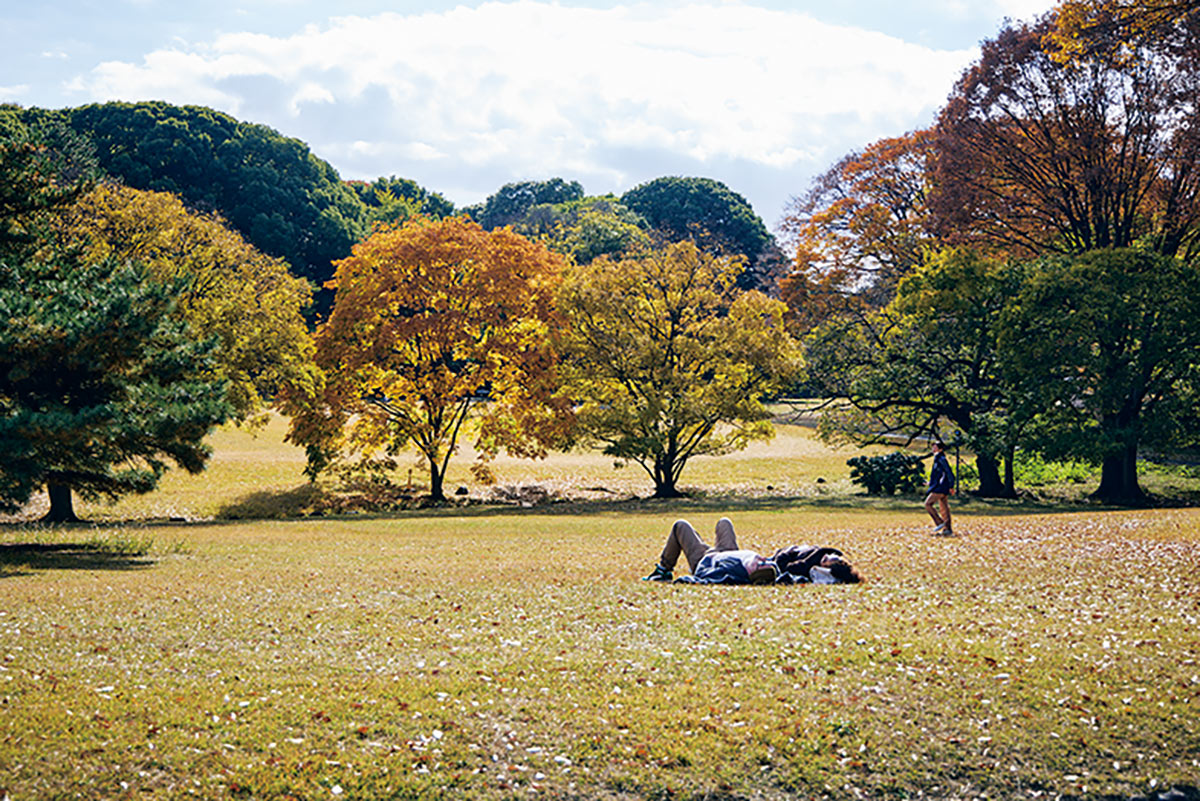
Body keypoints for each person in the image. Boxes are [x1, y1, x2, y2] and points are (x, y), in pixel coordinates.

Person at [642, 518, 862, 584]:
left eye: (830, 560)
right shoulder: (818, 554)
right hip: (732, 553)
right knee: (724, 522)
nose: (829, 555)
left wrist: (820, 555)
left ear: (825, 568)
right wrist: (828, 552)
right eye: (833, 556)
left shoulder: (805, 568)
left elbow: (787, 565)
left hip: (709, 560)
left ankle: (663, 569)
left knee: (680, 526)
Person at [924, 440, 956, 535]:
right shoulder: (937, 459)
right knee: (944, 508)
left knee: (928, 504)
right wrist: (930, 483)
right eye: (933, 447)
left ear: (941, 449)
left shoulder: (941, 459)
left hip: (941, 487)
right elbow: (938, 475)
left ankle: (940, 522)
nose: (933, 449)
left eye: (935, 447)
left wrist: (951, 486)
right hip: (941, 486)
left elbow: (949, 473)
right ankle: (947, 529)